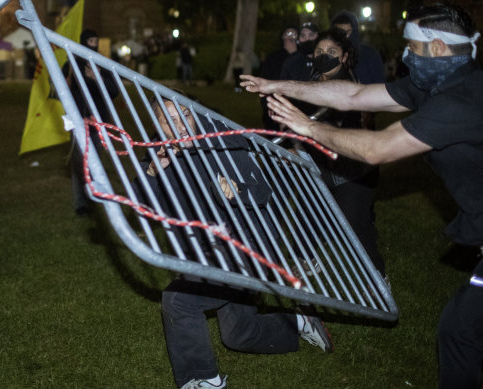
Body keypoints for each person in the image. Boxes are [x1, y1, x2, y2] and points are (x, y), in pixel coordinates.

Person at [240, 4, 483, 388]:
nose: (405, 54)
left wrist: (308, 127)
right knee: (462, 332)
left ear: (439, 47)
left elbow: (378, 149)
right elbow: (354, 94)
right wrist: (280, 85)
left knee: (459, 332)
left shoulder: (462, 100)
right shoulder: (435, 85)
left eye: (411, 46)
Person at [133, 96, 334, 389]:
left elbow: (263, 191)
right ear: (157, 125)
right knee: (238, 334)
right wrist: (154, 170)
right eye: (168, 121)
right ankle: (298, 322)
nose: (179, 128)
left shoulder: (222, 138)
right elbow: (143, 209)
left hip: (250, 245)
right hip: (206, 250)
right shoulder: (159, 149)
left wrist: (237, 190)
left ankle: (202, 380)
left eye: (185, 117)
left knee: (179, 301)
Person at [298, 28, 385, 277]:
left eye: (332, 52)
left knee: (356, 225)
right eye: (319, 51)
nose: (324, 56)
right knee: (307, 210)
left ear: (345, 57)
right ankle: (306, 258)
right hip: (319, 165)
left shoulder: (351, 86)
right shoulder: (309, 84)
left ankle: (378, 278)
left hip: (353, 170)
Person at [62, 29, 119, 216]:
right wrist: (64, 83)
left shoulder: (102, 63)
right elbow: (58, 90)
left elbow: (114, 90)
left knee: (96, 164)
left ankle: (96, 199)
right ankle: (81, 204)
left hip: (98, 121)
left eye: (96, 40)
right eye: (90, 40)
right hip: (78, 120)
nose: (93, 44)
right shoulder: (71, 63)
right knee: (79, 164)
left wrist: (97, 78)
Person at [258, 26, 298, 129]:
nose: (291, 37)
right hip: (275, 108)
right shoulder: (273, 58)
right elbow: (266, 81)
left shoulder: (303, 58)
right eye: (287, 34)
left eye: (294, 34)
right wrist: (268, 105)